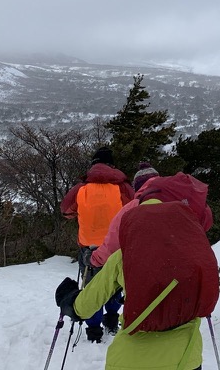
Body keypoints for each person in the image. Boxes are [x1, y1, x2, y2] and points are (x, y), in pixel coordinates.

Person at [55, 196, 220, 370]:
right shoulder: (191, 258)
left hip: (130, 361)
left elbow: (85, 306)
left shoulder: (123, 257)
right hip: (187, 360)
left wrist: (69, 300)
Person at [61, 146, 134, 342]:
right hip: (117, 248)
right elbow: (136, 209)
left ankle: (93, 331)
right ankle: (111, 319)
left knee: (91, 288)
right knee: (116, 284)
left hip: (89, 249)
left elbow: (66, 210)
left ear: (93, 165)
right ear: (113, 166)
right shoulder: (123, 187)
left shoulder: (81, 188)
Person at [89, 169, 212, 269]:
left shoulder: (135, 207)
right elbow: (206, 221)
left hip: (156, 270)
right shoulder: (178, 194)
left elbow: (113, 243)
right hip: (193, 263)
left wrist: (95, 258)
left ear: (138, 187)